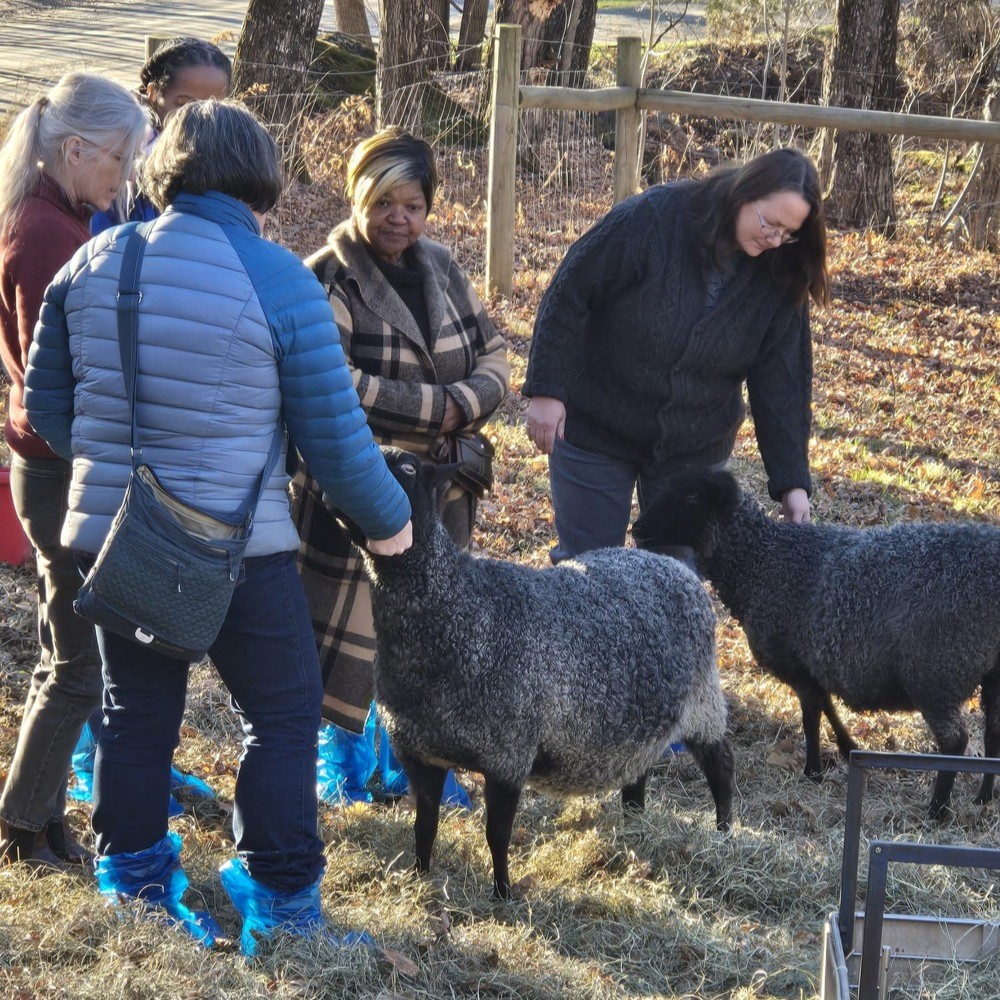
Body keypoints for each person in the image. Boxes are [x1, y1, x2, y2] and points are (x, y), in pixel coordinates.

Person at [23, 99, 412, 952]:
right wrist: (395, 525)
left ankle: (135, 887)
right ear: (258, 178)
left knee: (134, 711)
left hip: (109, 536)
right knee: (283, 713)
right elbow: (338, 445)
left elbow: (46, 409)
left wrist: (116, 469)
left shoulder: (91, 261)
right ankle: (279, 899)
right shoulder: (277, 278)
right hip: (232, 543)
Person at [292, 127, 510, 806]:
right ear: (358, 195)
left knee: (429, 633)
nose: (399, 218)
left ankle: (416, 762)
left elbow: (496, 356)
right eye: (384, 200)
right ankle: (343, 766)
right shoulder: (325, 275)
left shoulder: (441, 266)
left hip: (440, 489)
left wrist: (457, 407)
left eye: (413, 204)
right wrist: (439, 409)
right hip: (355, 483)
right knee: (349, 629)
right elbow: (336, 382)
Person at [522, 146, 830, 564]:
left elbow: (783, 384)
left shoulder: (782, 271)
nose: (774, 239)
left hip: (694, 445)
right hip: (598, 420)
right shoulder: (657, 217)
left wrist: (792, 481)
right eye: (770, 223)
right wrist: (547, 390)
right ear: (744, 192)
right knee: (586, 572)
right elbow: (570, 291)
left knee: (677, 579)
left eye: (788, 232)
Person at [77, 34, 231, 813]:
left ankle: (134, 760)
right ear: (154, 97)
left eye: (219, 101)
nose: (201, 115)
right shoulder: (119, 189)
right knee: (105, 622)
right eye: (187, 100)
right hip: (116, 433)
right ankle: (93, 759)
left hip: (177, 437)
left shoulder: (217, 184)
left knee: (145, 626)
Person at [0, 73, 150, 869]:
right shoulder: (49, 234)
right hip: (59, 471)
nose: (124, 177)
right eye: (120, 158)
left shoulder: (56, 213)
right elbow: (58, 374)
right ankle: (24, 826)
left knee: (66, 647)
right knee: (77, 663)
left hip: (48, 461)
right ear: (76, 147)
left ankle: (42, 814)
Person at [90, 36, 231, 234]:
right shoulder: (124, 162)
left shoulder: (234, 169)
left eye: (213, 107)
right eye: (183, 104)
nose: (199, 118)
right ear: (153, 94)